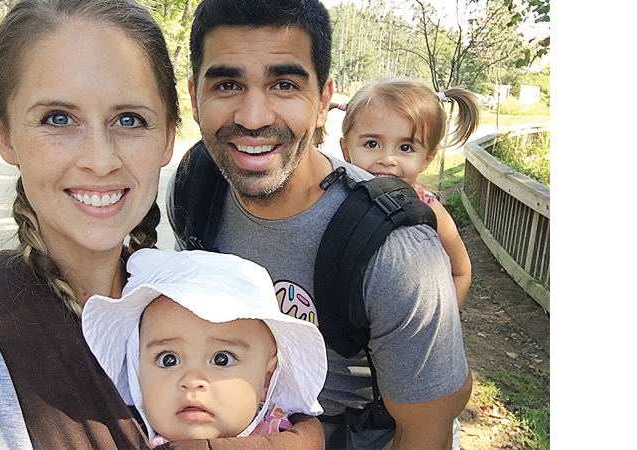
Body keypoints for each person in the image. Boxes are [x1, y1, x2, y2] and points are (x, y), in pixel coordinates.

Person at [0, 0, 323, 448]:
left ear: (167, 138)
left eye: (129, 120)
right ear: (4, 134)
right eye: (58, 119)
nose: (100, 161)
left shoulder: (184, 298)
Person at [167, 0, 472, 448]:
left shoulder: (394, 252)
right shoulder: (197, 186)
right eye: (228, 84)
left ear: (322, 102)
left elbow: (425, 434)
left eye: (285, 84)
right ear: (195, 98)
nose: (253, 118)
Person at [82, 248, 327, 447]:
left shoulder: (290, 442)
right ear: (137, 374)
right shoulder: (112, 439)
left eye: (222, 359)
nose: (191, 381)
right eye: (168, 359)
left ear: (266, 379)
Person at [338, 77, 478, 309]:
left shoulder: (427, 208)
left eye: (406, 148)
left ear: (426, 159)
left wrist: (441, 326)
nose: (387, 159)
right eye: (372, 144)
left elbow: (461, 271)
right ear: (345, 149)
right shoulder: (333, 198)